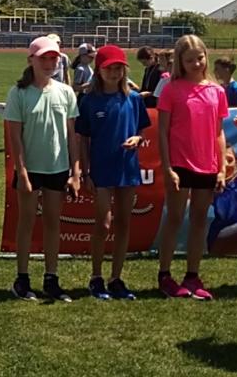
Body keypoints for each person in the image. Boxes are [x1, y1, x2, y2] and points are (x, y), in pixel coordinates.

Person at [6, 36, 81, 302]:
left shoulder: (66, 92)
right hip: (30, 169)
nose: (49, 64)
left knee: (52, 223)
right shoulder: (19, 93)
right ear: (31, 60)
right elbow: (15, 137)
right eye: (44, 59)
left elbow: (72, 136)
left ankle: (51, 278)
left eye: (53, 59)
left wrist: (75, 172)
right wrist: (22, 172)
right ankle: (22, 278)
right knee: (26, 222)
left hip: (57, 169)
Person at [76, 45, 151, 300]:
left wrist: (137, 139)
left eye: (119, 68)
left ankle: (116, 278)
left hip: (127, 168)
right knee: (103, 222)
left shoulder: (134, 99)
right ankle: (96, 277)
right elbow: (83, 138)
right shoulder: (89, 101)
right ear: (99, 70)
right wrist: (85, 171)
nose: (115, 72)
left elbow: (141, 130)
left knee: (123, 222)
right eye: (110, 68)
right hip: (101, 169)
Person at [157, 34, 228, 300]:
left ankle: (192, 275)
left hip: (207, 165)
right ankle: (165, 275)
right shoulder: (171, 89)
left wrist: (221, 168)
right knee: (175, 218)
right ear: (180, 62)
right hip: (179, 164)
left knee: (200, 220)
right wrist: (167, 168)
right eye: (190, 60)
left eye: (200, 58)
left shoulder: (217, 91)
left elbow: (219, 132)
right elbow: (162, 132)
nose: (196, 64)